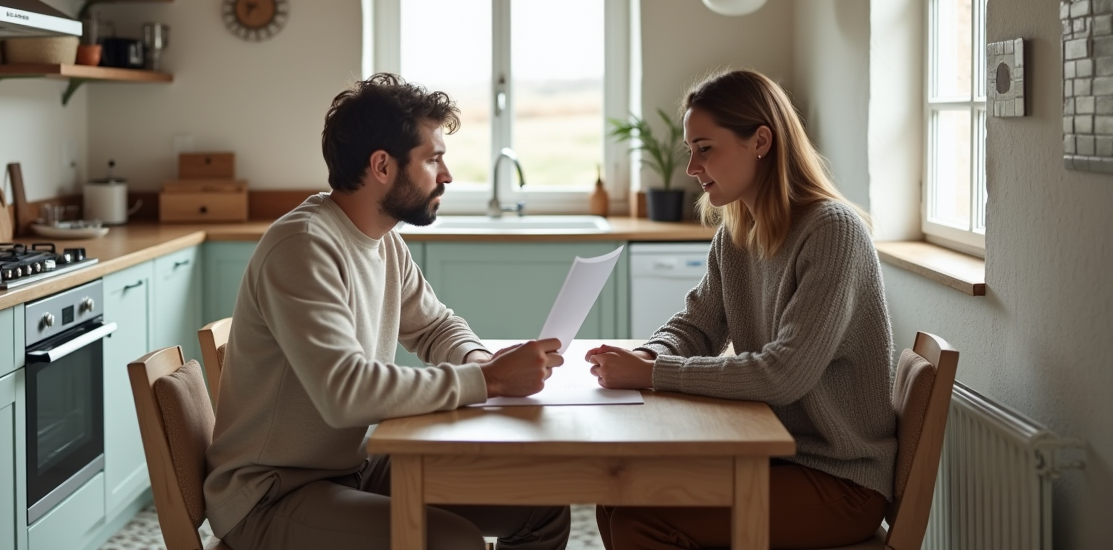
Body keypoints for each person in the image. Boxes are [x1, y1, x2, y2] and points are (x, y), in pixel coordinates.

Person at [205, 72, 570, 550]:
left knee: (542, 505)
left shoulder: (384, 242)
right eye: (433, 159)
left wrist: (478, 361)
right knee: (451, 542)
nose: (447, 175)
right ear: (381, 165)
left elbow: (437, 324)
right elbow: (346, 392)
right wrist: (492, 381)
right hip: (272, 495)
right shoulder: (304, 247)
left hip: (352, 467)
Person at [586, 69, 896, 550]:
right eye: (691, 149)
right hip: (775, 455)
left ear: (761, 141)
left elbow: (782, 375)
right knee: (617, 491)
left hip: (840, 479)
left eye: (705, 148)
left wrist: (652, 374)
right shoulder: (737, 233)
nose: (692, 166)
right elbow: (698, 324)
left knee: (641, 520)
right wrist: (650, 355)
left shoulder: (833, 232)